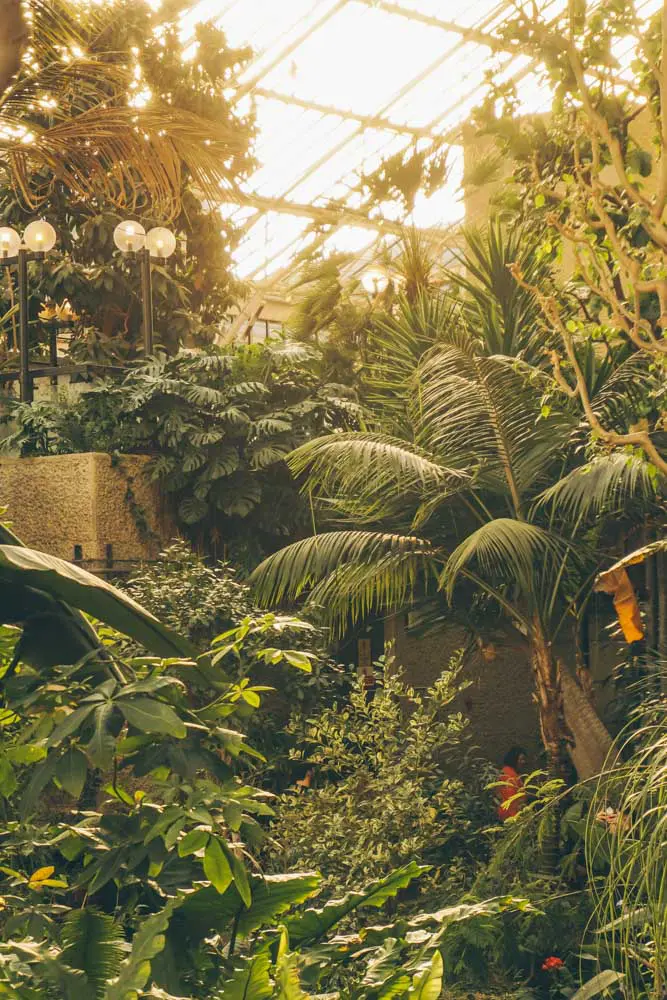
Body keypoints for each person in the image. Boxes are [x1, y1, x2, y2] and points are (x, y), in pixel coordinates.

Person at [497, 746, 528, 821]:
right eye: (521, 759)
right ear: (513, 760)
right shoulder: (509, 775)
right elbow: (512, 799)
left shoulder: (509, 772)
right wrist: (517, 818)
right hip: (510, 816)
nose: (524, 762)